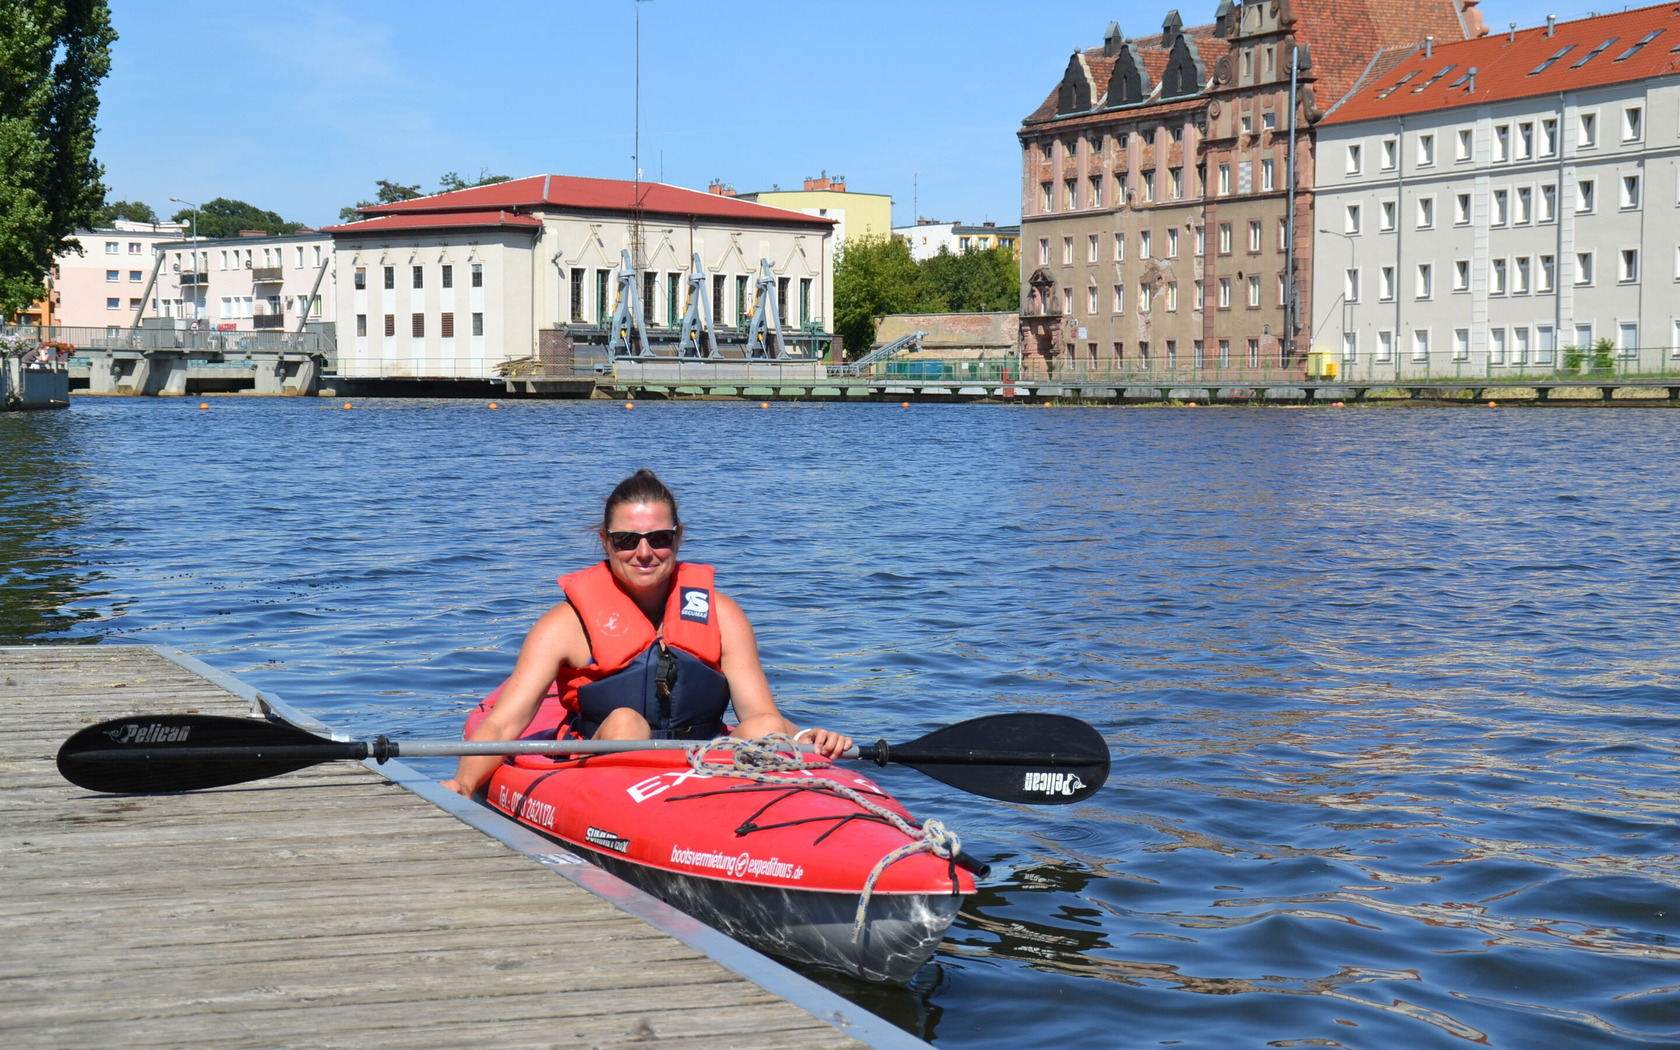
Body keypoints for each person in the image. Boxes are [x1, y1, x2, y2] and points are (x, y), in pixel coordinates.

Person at [442, 469, 852, 797]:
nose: (643, 553)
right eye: (626, 540)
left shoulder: (723, 616)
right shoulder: (563, 626)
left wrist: (802, 736)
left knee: (764, 726)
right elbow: (503, 725)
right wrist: (462, 785)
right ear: (605, 542)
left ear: (678, 538)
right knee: (625, 722)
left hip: (702, 768)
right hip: (608, 768)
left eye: (659, 538)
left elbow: (760, 714)